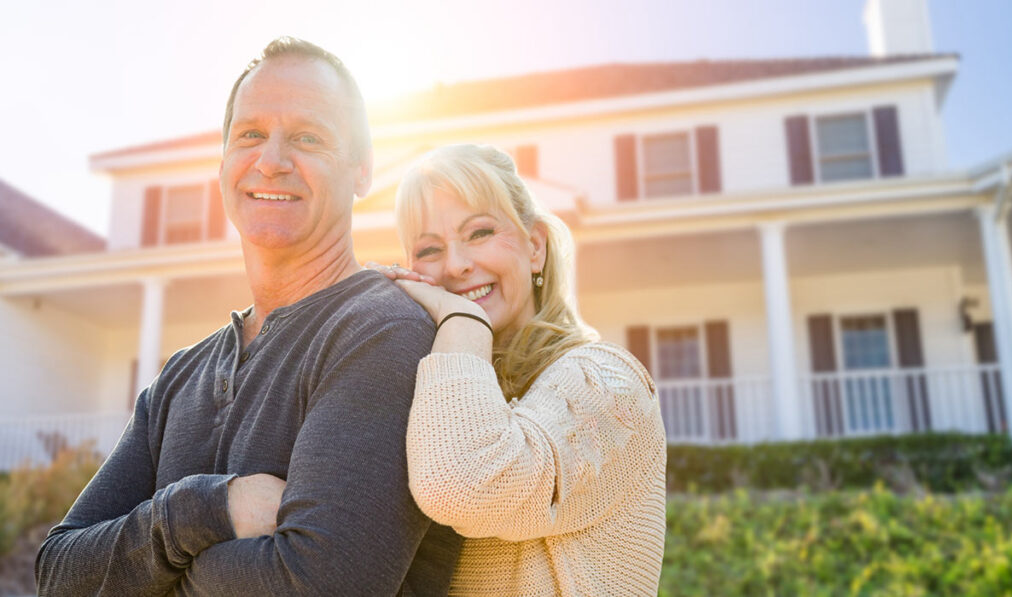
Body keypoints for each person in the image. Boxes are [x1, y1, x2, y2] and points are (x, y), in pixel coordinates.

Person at [35, 37, 461, 596]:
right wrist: (206, 510)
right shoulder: (179, 377)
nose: (272, 160)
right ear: (223, 163)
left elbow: (320, 585)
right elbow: (57, 575)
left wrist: (146, 576)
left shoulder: (383, 333)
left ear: (361, 170)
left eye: (307, 137)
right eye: (251, 135)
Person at [375, 144, 667, 595]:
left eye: (479, 233)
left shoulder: (608, 383)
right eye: (429, 249)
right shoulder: (432, 395)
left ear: (534, 247)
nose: (455, 265)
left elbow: (462, 487)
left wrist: (462, 320)